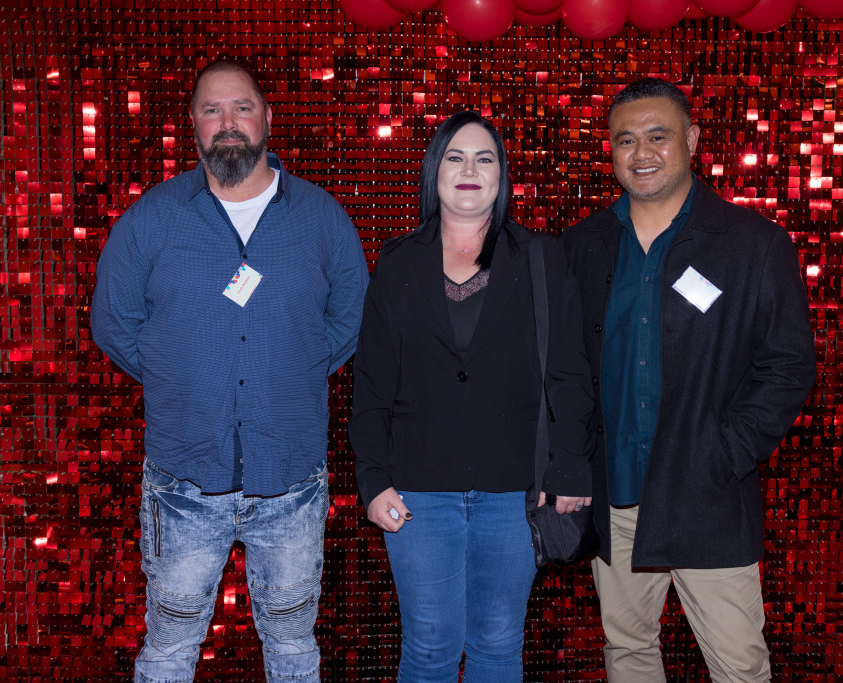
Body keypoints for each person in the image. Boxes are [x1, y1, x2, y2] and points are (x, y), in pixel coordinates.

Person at [90, 59, 368, 682]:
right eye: (212, 110)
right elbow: (113, 322)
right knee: (168, 650)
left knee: (293, 649)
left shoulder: (321, 217)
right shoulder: (152, 219)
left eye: (241, 107)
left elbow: (350, 317)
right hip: (183, 482)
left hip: (291, 480)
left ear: (266, 117)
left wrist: (295, 368)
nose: (228, 122)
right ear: (192, 123)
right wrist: (178, 374)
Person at [562, 78, 816, 682]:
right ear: (610, 150)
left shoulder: (752, 245)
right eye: (626, 140)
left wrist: (725, 453)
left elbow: (788, 365)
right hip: (616, 497)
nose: (642, 153)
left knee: (739, 667)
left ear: (693, 140)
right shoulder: (581, 247)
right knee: (628, 650)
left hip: (708, 496)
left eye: (658, 136)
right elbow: (564, 370)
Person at [349, 111, 594, 682]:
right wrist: (372, 479)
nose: (469, 169)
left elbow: (569, 375)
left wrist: (571, 468)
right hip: (416, 491)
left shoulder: (542, 257)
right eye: (455, 157)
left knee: (498, 644)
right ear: (434, 170)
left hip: (515, 490)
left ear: (501, 176)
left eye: (485, 159)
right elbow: (372, 385)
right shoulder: (396, 262)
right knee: (428, 648)